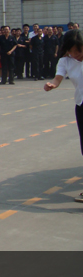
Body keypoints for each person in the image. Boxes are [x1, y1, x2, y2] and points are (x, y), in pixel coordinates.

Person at [44, 29, 83, 203]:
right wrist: (52, 85)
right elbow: (57, 79)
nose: (77, 54)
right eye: (73, 51)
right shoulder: (65, 61)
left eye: (80, 50)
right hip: (81, 105)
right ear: (67, 50)